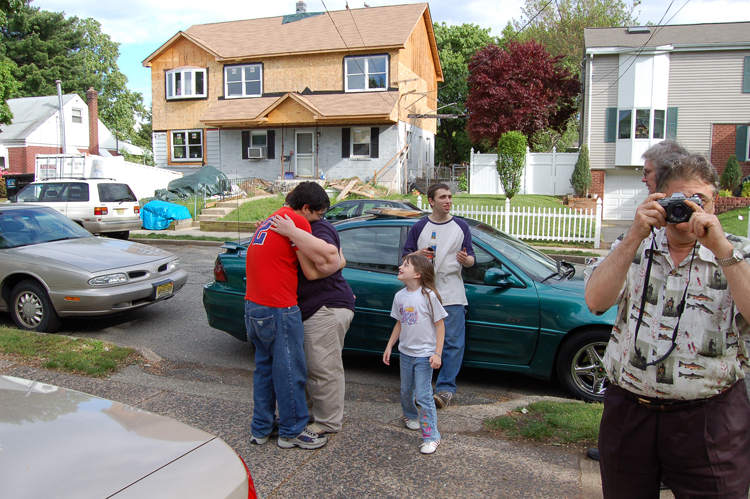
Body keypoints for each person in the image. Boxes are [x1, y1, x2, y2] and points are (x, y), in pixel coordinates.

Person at [584, 152, 750, 498]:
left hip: (710, 418)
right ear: (658, 200)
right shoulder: (632, 247)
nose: (688, 209)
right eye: (679, 200)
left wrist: (720, 247)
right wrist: (633, 236)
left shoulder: (737, 253)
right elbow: (596, 302)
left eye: (698, 200)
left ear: (714, 202)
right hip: (630, 413)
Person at [587, 139, 689, 463]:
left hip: (695, 413)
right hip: (629, 402)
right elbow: (596, 301)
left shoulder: (723, 248)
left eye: (648, 173)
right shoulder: (634, 239)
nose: (643, 179)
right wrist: (633, 236)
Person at [245, 182, 340, 450]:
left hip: (253, 305)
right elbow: (316, 264)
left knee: (264, 370)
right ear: (307, 207)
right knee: (290, 370)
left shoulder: (270, 219)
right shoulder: (297, 221)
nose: (320, 220)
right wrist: (337, 263)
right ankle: (292, 430)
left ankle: (261, 428)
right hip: (279, 307)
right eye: (319, 215)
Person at [271, 204, 355, 436]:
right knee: (309, 367)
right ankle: (309, 416)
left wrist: (294, 237)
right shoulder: (304, 228)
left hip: (325, 308)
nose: (321, 217)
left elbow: (336, 261)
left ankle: (328, 422)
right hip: (312, 307)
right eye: (320, 212)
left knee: (323, 368)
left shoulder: (318, 228)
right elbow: (341, 261)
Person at [403, 183, 474, 409]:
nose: (448, 201)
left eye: (450, 197)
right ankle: (421, 389)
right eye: (442, 197)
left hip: (452, 292)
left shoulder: (461, 226)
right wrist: (418, 254)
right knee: (422, 342)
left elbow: (472, 259)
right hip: (424, 292)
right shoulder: (420, 227)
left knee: (453, 343)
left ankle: (444, 390)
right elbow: (405, 257)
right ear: (431, 201)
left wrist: (466, 260)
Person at [383, 254, 447, 455]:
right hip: (405, 354)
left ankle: (431, 436)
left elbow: (440, 326)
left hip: (425, 356)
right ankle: (410, 416)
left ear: (418, 274)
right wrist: (390, 345)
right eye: (402, 263)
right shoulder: (400, 296)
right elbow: (399, 323)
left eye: (405, 265)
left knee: (423, 395)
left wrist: (438, 353)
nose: (400, 267)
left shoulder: (429, 295)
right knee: (405, 391)